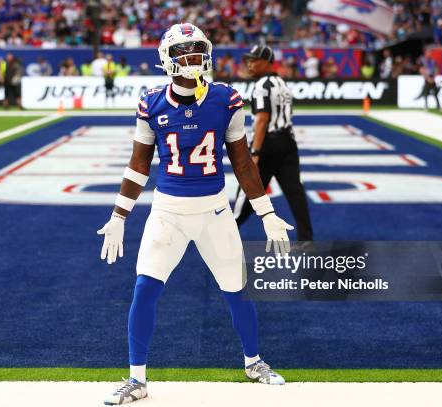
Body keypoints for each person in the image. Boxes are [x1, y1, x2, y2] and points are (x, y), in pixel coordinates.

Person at [98, 23, 292, 405]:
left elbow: (243, 162)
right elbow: (138, 166)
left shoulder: (226, 99)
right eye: (182, 53)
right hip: (167, 212)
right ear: (166, 60)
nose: (191, 59)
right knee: (145, 290)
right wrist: (120, 215)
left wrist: (265, 210)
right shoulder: (151, 102)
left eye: (196, 50)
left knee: (236, 291)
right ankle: (136, 378)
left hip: (215, 211)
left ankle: (253, 362)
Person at [234, 45, 313, 242]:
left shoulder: (262, 85)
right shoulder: (282, 83)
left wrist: (255, 152)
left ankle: (229, 231)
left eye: (254, 60)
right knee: (295, 193)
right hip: (288, 142)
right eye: (249, 60)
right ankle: (306, 239)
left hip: (267, 143)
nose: (249, 64)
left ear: (268, 62)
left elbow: (262, 119)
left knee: (248, 189)